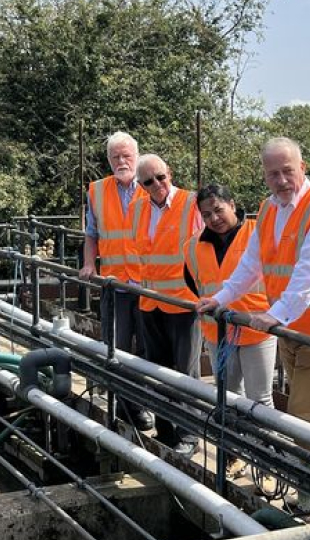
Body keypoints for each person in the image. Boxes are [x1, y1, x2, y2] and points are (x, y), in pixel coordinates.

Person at [197, 137, 310, 440]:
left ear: (303, 168)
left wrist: (275, 314)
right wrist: (220, 299)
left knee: (303, 417)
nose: (281, 180)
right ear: (264, 175)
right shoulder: (269, 209)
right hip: (290, 326)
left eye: (287, 171)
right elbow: (250, 264)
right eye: (273, 174)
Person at [126, 153, 204, 457]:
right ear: (140, 184)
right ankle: (166, 430)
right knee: (157, 370)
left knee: (186, 373)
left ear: (169, 173)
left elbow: (206, 248)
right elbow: (138, 253)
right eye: (148, 181)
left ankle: (189, 434)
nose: (157, 184)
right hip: (151, 301)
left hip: (184, 302)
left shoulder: (191, 203)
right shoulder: (137, 209)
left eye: (160, 177)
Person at [79, 131, 150, 431]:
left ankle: (144, 405)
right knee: (116, 348)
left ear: (137, 156)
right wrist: (88, 264)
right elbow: (91, 234)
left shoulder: (151, 185)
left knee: (147, 350)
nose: (121, 161)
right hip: (114, 282)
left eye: (126, 156)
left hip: (148, 285)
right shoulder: (97, 190)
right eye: (115, 157)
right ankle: (126, 406)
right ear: (108, 160)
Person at [183, 184, 277, 409]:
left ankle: (260, 435)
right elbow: (192, 282)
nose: (214, 219)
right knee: (228, 396)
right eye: (207, 215)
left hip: (256, 329)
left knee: (260, 399)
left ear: (232, 205)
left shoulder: (258, 233)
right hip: (218, 331)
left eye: (218, 210)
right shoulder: (193, 245)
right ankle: (233, 434)